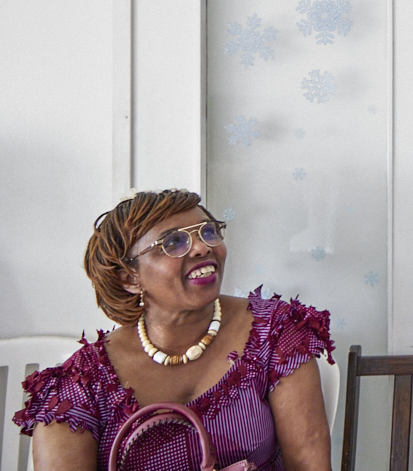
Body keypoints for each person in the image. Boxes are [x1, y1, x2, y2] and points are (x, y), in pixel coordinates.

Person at [15, 190, 334, 471]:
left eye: (208, 232)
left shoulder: (275, 332)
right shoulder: (79, 386)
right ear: (129, 278)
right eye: (173, 242)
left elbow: (309, 463)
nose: (202, 247)